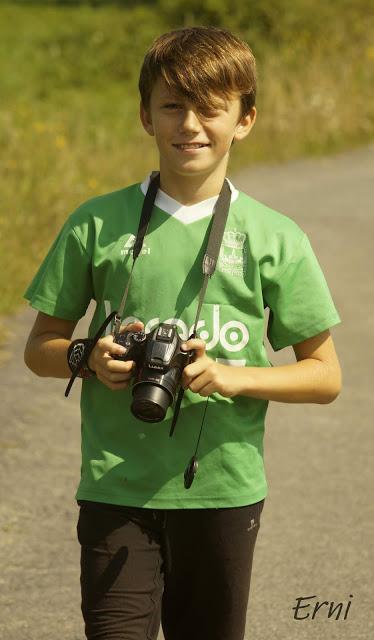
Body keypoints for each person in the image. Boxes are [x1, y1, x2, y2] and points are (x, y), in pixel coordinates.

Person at [23, 25, 342, 640]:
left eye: (211, 108)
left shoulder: (276, 237)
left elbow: (326, 376)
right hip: (116, 487)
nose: (190, 124)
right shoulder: (96, 222)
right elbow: (41, 347)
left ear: (245, 119)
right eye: (172, 105)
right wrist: (88, 357)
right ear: (145, 116)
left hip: (223, 491)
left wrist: (228, 376)